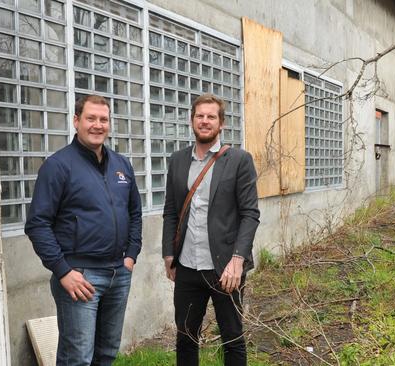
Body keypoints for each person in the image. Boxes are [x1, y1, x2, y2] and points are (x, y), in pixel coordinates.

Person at [25, 94, 142, 366]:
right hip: (80, 278)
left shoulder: (121, 165)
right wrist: (63, 271)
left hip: (118, 274)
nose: (98, 125)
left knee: (107, 354)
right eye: (91, 118)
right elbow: (37, 223)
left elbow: (134, 213)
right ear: (76, 121)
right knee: (76, 359)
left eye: (103, 119)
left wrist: (131, 255)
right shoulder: (58, 166)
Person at [162, 93, 260, 365]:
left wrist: (238, 260)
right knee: (186, 337)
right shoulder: (178, 160)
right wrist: (169, 255)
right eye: (199, 116)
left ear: (221, 124)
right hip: (187, 268)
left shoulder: (239, 160)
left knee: (232, 337)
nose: (204, 121)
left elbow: (250, 214)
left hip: (225, 269)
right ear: (192, 121)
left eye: (211, 117)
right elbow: (171, 210)